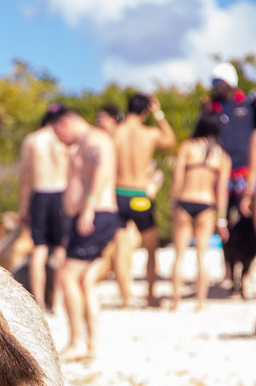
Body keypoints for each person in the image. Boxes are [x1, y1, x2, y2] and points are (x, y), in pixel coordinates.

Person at [52, 108, 119, 361]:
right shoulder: (85, 143)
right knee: (84, 282)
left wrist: (88, 207)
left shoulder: (95, 139)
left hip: (96, 214)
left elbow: (103, 169)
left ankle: (77, 341)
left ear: (65, 123)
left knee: (67, 276)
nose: (59, 140)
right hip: (92, 215)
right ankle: (91, 344)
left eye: (58, 133)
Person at [113, 93, 176, 307]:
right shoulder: (149, 133)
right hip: (140, 196)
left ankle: (125, 299)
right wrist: (159, 113)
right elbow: (170, 140)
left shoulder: (115, 133)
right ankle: (150, 295)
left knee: (121, 248)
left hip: (119, 194)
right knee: (151, 248)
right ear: (144, 111)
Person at [169, 113, 231, 309]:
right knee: (202, 255)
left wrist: (173, 201)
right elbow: (222, 190)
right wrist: (222, 217)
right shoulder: (223, 156)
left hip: (185, 201)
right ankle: (200, 301)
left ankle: (176, 301)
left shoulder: (188, 147)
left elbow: (177, 178)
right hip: (207, 205)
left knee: (179, 255)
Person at [18, 103, 71, 310]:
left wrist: (23, 207)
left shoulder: (32, 139)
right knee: (60, 249)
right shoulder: (65, 140)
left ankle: (38, 301)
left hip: (40, 193)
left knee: (39, 249)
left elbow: (26, 177)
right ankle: (57, 301)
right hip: (61, 194)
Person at [205, 62, 256, 225]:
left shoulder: (249, 105)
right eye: (214, 83)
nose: (216, 87)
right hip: (223, 173)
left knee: (248, 215)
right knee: (222, 220)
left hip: (245, 173)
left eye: (219, 82)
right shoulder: (213, 109)